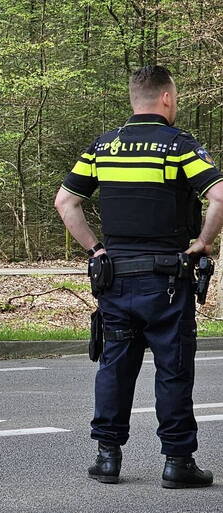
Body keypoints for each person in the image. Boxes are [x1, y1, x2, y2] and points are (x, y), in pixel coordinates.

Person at [55, 65, 223, 488]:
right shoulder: (179, 146)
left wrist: (96, 249)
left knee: (114, 366)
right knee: (173, 368)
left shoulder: (103, 147)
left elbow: (66, 202)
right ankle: (177, 462)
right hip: (167, 279)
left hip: (115, 279)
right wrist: (203, 242)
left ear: (135, 98)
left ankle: (107, 457)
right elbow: (219, 194)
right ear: (166, 97)